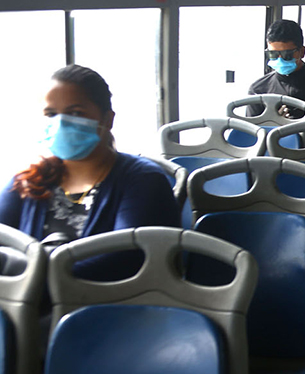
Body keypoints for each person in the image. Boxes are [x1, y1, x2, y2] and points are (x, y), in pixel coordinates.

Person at [0, 65, 178, 275]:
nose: (61, 124)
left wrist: (37, 276)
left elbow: (128, 258)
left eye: (76, 113)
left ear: (107, 120)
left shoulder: (143, 180)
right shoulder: (33, 178)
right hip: (26, 291)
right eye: (51, 114)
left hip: (106, 294)